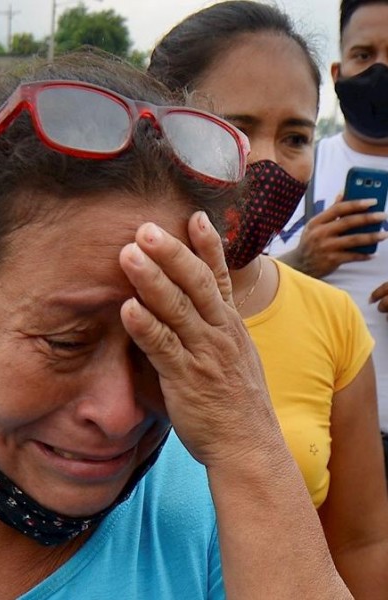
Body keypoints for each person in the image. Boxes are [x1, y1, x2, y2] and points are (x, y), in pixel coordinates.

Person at [0, 50, 354, 599]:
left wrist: (250, 448)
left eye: (158, 345)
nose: (117, 416)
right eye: (64, 342)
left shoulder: (217, 506)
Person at [148, 2, 388, 597]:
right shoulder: (99, 294)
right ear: (157, 126)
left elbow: (359, 542)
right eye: (234, 127)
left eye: (295, 136)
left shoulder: (331, 320)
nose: (266, 161)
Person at [266, 0, 388, 481]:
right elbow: (231, 290)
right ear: (338, 71)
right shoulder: (291, 168)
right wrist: (300, 260)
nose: (380, 69)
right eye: (364, 54)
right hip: (310, 438)